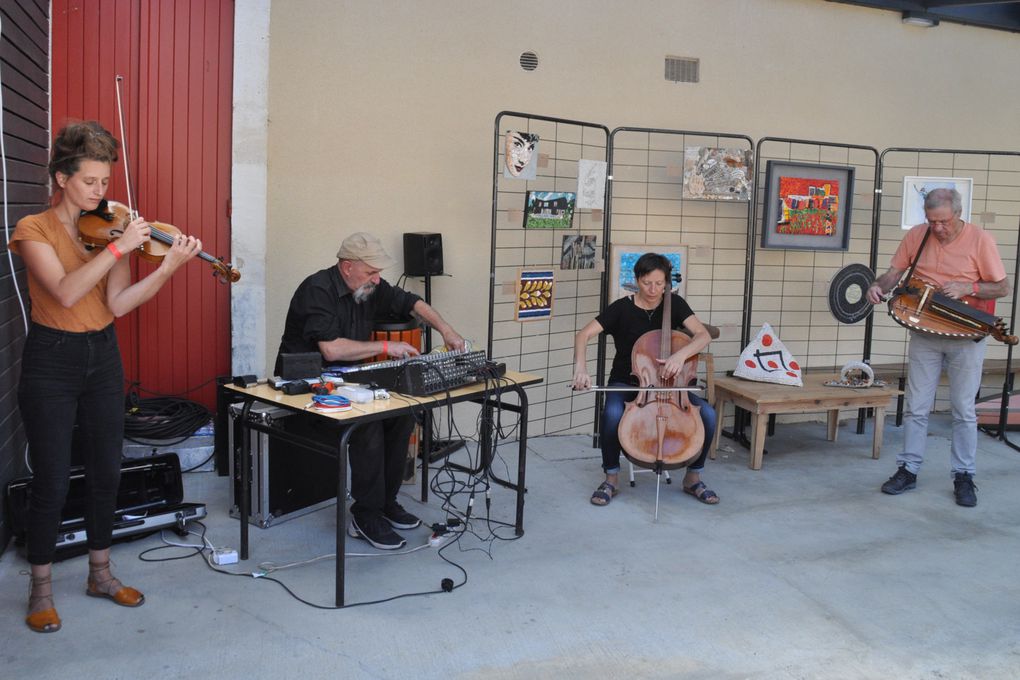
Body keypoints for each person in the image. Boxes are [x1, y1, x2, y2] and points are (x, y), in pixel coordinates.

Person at [9, 121, 202, 633]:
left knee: (106, 471)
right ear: (61, 178)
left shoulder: (111, 226)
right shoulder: (34, 230)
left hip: (102, 356)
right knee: (51, 479)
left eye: (105, 182)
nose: (101, 192)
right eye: (91, 181)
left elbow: (116, 304)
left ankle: (100, 573)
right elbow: (66, 293)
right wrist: (120, 248)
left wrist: (165, 269)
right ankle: (41, 587)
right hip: (52, 358)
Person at [275, 232, 465, 549]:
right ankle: (365, 515)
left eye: (378, 273)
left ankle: (385, 502)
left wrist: (446, 329)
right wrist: (387, 346)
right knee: (368, 426)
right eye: (370, 272)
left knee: (402, 416)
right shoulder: (317, 289)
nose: (377, 280)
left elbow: (412, 302)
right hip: (306, 385)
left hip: (347, 381)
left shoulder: (369, 286)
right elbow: (331, 350)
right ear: (347, 267)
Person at [866, 188, 1009, 507]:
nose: (938, 228)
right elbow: (894, 273)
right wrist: (877, 286)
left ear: (958, 213)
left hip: (965, 335)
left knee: (963, 408)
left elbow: (1002, 286)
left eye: (944, 221)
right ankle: (908, 469)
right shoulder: (918, 235)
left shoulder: (980, 239)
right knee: (917, 406)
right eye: (932, 221)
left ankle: (964, 475)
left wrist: (969, 286)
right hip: (925, 329)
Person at [571, 253, 719, 506]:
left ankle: (693, 477)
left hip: (671, 387)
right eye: (648, 283)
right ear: (637, 279)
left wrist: (680, 356)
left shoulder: (676, 304)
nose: (654, 290)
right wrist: (580, 368)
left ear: (666, 283)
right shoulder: (621, 308)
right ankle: (611, 478)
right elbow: (583, 334)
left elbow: (703, 335)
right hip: (626, 382)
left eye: (660, 284)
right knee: (612, 414)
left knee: (707, 415)